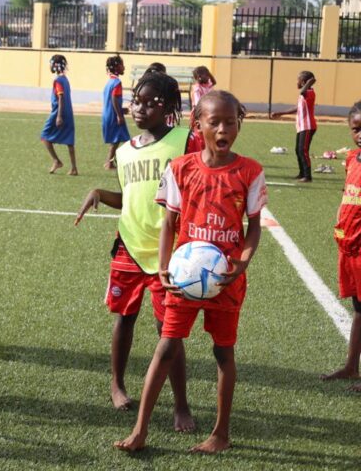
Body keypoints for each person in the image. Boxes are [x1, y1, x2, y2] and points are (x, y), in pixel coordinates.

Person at [115, 90, 268, 454]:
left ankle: (220, 434)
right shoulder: (181, 168)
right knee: (166, 346)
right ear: (198, 125)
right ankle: (140, 431)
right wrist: (164, 266)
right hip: (184, 277)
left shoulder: (250, 172)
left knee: (223, 353)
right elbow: (169, 222)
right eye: (213, 122)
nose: (222, 128)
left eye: (230, 122)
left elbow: (255, 226)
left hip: (226, 279)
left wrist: (241, 263)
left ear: (238, 125)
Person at [75, 72, 200, 430]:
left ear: (170, 107)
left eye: (151, 102)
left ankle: (181, 405)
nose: (140, 108)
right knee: (123, 318)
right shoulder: (125, 150)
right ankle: (117, 383)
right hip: (129, 246)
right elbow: (130, 198)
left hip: (170, 253)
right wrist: (101, 193)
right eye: (137, 101)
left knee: (169, 329)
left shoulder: (185, 142)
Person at [321, 101, 361, 393]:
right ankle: (351, 366)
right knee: (359, 309)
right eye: (356, 128)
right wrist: (339, 218)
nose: (360, 134)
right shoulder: (353, 159)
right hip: (349, 246)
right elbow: (347, 193)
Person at [271, 71, 317, 182]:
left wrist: (310, 82)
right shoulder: (304, 94)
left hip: (308, 126)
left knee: (303, 150)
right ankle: (302, 173)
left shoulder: (309, 92)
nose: (297, 82)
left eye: (299, 80)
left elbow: (302, 91)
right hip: (302, 126)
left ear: (304, 82)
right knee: (298, 150)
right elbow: (297, 108)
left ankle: (307, 176)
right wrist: (281, 113)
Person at [40, 54, 77, 175]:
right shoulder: (65, 79)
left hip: (58, 112)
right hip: (69, 112)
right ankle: (74, 168)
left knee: (44, 136)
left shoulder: (58, 80)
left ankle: (56, 160)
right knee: (69, 141)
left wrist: (59, 116)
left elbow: (60, 97)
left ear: (55, 66)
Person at [101, 55, 129, 169]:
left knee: (117, 140)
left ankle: (109, 162)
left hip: (108, 114)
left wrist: (122, 110)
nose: (124, 68)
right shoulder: (117, 82)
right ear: (117, 67)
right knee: (125, 140)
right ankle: (112, 162)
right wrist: (119, 114)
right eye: (122, 65)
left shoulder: (109, 82)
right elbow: (113, 99)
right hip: (114, 115)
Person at [188, 66, 216, 141]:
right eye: (206, 75)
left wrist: (208, 74)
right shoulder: (197, 88)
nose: (208, 77)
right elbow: (198, 104)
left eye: (208, 75)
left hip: (208, 111)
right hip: (199, 113)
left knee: (208, 133)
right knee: (199, 134)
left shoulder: (207, 84)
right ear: (199, 77)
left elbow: (214, 82)